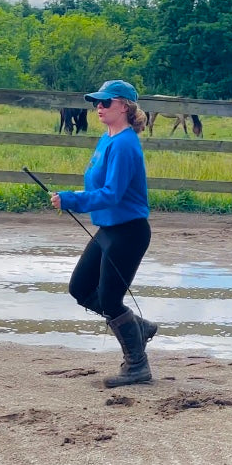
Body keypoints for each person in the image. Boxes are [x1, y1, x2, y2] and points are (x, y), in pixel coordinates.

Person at [50, 79, 155, 387]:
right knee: (80, 288)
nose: (98, 106)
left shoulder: (124, 144)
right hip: (108, 229)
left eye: (105, 102)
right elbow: (99, 188)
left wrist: (72, 199)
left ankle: (138, 366)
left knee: (110, 300)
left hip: (128, 233)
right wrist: (74, 196)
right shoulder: (107, 138)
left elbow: (112, 194)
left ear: (124, 106)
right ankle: (138, 328)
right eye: (96, 101)